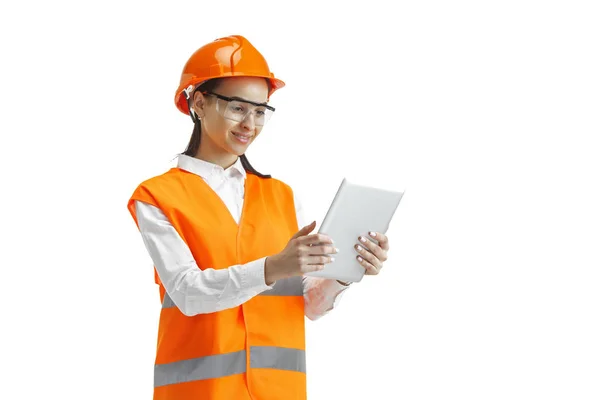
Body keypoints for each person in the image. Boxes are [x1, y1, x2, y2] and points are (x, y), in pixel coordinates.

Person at [126, 34, 391, 400]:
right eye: (237, 107)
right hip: (202, 393)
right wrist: (273, 266)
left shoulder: (280, 195)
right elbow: (188, 293)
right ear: (199, 104)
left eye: (261, 110)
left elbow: (308, 305)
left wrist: (347, 272)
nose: (250, 123)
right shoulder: (157, 196)